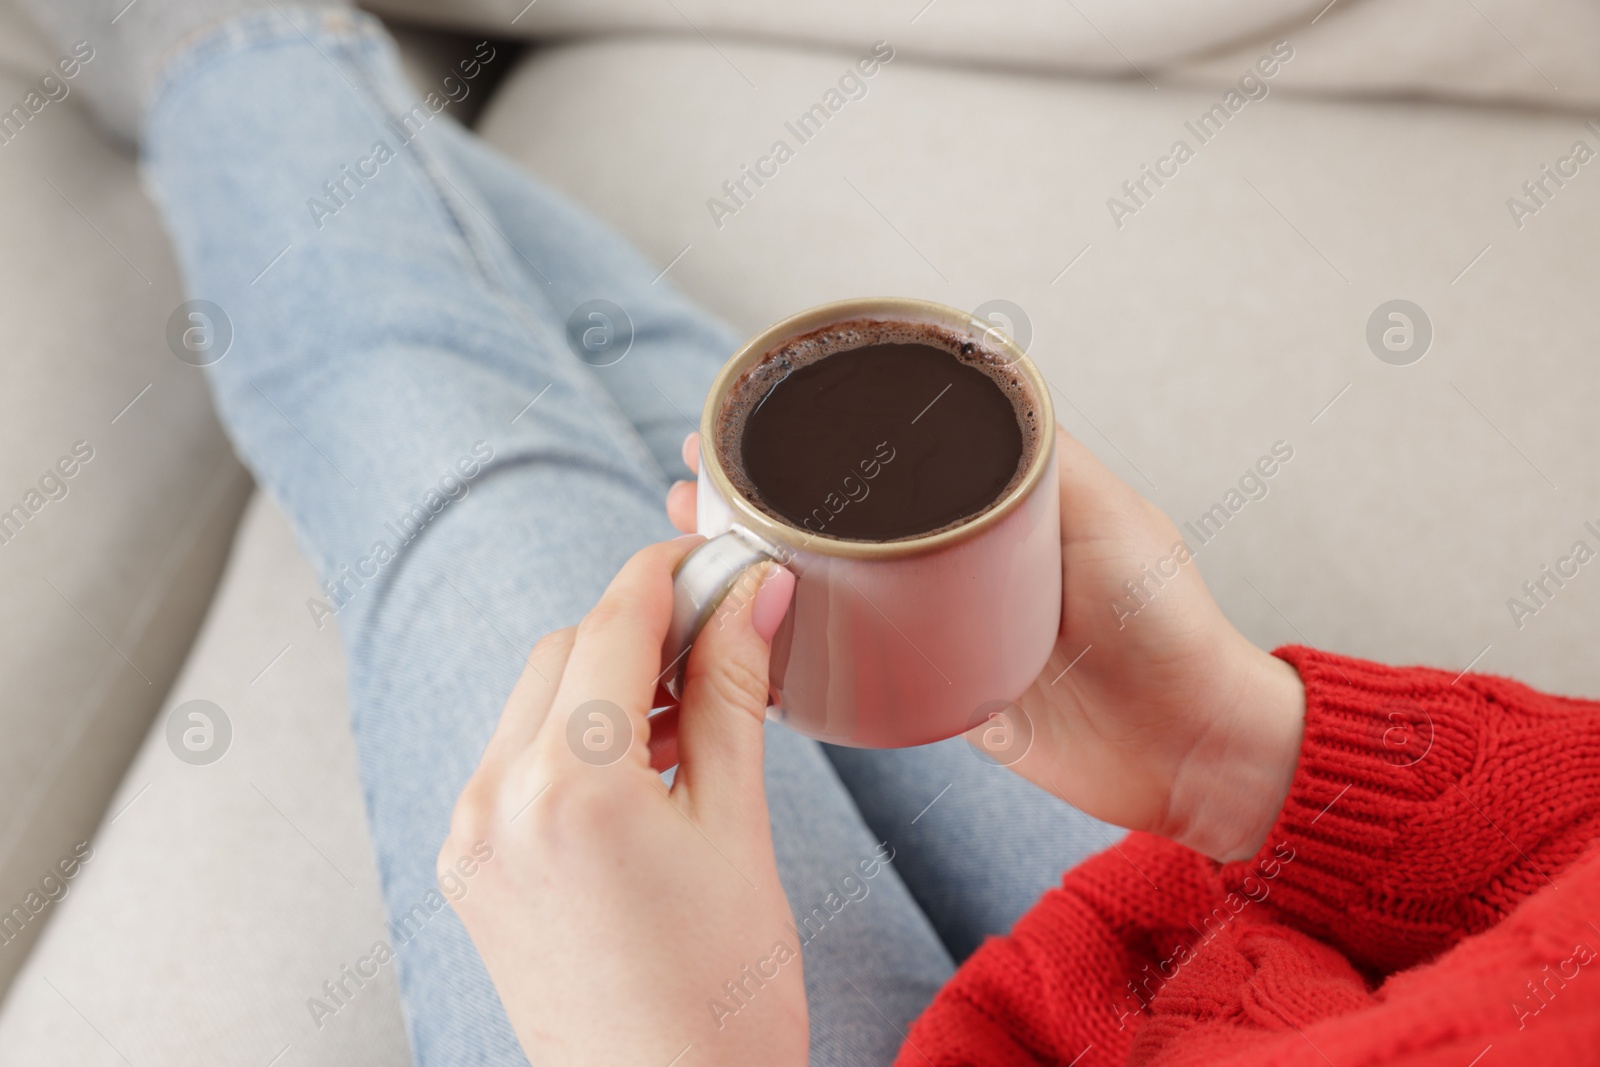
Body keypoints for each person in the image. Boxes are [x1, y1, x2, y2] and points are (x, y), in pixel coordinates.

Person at [20, 2, 1599, 1065]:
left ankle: (236, 53)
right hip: (1248, 974)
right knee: (683, 413)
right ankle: (273, 56)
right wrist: (1262, 760)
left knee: (474, 478)